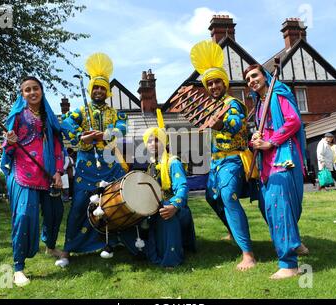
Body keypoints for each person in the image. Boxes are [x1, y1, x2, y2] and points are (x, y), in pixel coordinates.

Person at [189, 40, 258, 271]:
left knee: (229, 198)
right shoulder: (210, 107)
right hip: (216, 162)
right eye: (210, 83)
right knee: (212, 197)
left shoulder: (233, 104)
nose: (214, 86)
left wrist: (221, 125)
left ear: (224, 82)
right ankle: (232, 231)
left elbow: (238, 124)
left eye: (217, 81)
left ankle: (248, 254)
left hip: (234, 159)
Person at [55, 53, 128, 267]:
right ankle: (68, 250)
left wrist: (104, 135)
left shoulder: (115, 113)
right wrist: (82, 136)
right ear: (91, 90)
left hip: (109, 166)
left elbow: (123, 129)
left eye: (102, 88)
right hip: (86, 167)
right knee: (78, 206)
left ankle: (112, 242)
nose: (98, 91)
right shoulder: (80, 110)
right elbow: (65, 124)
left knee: (114, 205)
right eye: (95, 88)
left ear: (107, 92)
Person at [244, 64, 307, 279]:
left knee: (279, 207)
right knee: (270, 206)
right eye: (248, 79)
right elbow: (267, 128)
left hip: (284, 158)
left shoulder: (277, 94)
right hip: (268, 163)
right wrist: (257, 139)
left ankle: (289, 264)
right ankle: (294, 242)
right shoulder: (260, 104)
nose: (252, 80)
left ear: (265, 76)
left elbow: (293, 121)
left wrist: (270, 142)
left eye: (255, 75)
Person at [1, 76, 65, 287]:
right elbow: (9, 147)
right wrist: (9, 142)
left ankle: (50, 246)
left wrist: (57, 172)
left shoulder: (49, 117)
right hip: (23, 173)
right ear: (22, 95)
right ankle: (19, 267)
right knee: (24, 217)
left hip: (46, 173)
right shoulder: (18, 116)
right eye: (27, 90)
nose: (32, 92)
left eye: (35, 88)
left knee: (55, 212)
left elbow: (57, 146)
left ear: (41, 91)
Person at [116, 127, 196, 267]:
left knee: (165, 214)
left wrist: (174, 206)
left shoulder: (173, 162)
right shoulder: (150, 167)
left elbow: (182, 188)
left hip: (176, 210)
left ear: (164, 142)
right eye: (150, 141)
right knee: (126, 222)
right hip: (155, 209)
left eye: (157, 140)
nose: (153, 144)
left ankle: (170, 260)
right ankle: (147, 251)